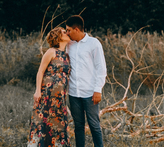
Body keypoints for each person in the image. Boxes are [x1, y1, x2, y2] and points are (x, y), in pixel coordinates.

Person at [65, 15, 106, 147]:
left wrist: (98, 90)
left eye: (69, 30)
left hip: (90, 92)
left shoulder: (94, 43)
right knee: (78, 126)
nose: (67, 33)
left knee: (94, 125)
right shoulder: (68, 45)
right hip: (73, 92)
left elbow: (101, 68)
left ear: (76, 29)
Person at [28, 26, 71, 147]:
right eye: (64, 32)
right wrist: (37, 91)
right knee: (43, 121)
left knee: (58, 122)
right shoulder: (51, 51)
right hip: (47, 94)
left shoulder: (66, 55)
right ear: (58, 37)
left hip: (60, 97)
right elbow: (40, 71)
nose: (67, 33)